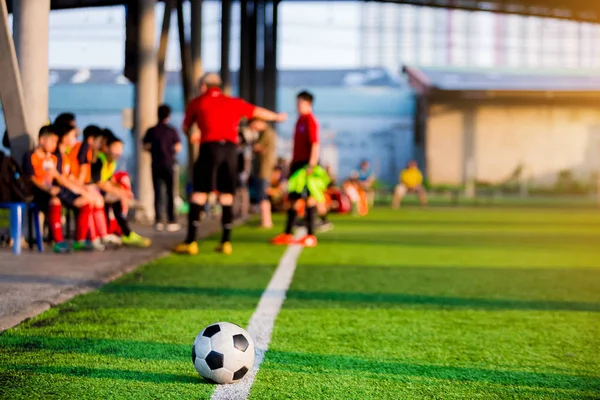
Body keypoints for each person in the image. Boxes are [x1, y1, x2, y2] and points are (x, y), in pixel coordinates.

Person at [173, 72, 287, 256]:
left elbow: (186, 127)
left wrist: (193, 135)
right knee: (227, 195)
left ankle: (191, 242)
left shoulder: (198, 102)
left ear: (203, 86)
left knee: (199, 193)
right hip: (231, 151)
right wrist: (277, 117)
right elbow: (257, 111)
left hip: (209, 148)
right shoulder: (233, 102)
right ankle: (226, 242)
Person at [22, 125, 92, 253]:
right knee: (55, 200)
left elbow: (60, 178)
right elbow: (31, 178)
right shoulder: (30, 156)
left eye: (56, 141)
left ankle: (80, 240)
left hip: (57, 190)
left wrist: (79, 189)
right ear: (42, 140)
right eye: (52, 141)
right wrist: (46, 188)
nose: (55, 145)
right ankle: (58, 242)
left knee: (85, 201)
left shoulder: (53, 158)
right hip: (39, 193)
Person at [271, 91, 321, 247]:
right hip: (297, 163)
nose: (297, 106)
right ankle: (287, 233)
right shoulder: (299, 120)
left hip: (307, 165)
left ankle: (311, 235)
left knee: (309, 199)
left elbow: (315, 144)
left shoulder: (310, 121)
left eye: (300, 103)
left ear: (308, 104)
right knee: (293, 199)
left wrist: (311, 165)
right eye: (297, 103)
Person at [91, 133, 151, 247]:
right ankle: (124, 233)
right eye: (116, 148)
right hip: (93, 191)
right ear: (107, 148)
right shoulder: (100, 160)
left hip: (100, 191)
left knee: (120, 194)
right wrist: (119, 192)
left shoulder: (112, 162)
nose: (119, 151)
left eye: (121, 149)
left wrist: (121, 190)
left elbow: (109, 181)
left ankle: (123, 232)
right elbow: (98, 183)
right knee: (118, 198)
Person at [143, 104, 182, 232]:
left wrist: (154, 150)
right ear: (168, 116)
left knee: (158, 192)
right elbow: (178, 147)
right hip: (169, 164)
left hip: (156, 164)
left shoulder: (152, 130)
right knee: (170, 192)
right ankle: (172, 220)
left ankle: (159, 220)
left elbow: (145, 146)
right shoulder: (172, 131)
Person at [250, 119, 277, 228]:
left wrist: (251, 139)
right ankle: (266, 220)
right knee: (263, 194)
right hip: (264, 168)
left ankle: (266, 221)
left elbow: (257, 147)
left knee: (262, 195)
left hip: (264, 168)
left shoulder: (267, 133)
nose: (254, 127)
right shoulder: (266, 133)